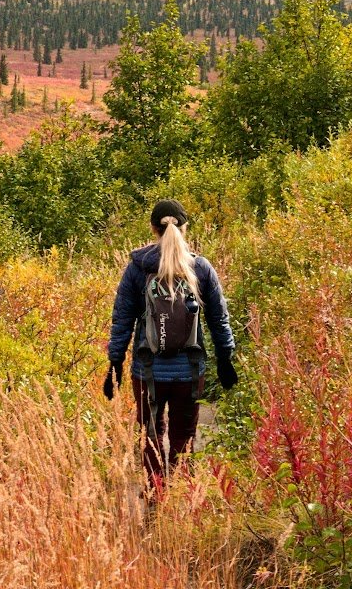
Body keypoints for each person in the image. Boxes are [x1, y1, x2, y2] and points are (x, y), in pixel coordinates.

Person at [103, 198, 237, 487]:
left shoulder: (138, 268)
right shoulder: (200, 268)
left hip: (147, 371)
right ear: (185, 228)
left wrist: (115, 361)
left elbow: (122, 318)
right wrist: (226, 357)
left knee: (151, 435)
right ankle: (181, 500)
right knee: (183, 436)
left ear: (153, 228)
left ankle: (156, 496)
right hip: (189, 371)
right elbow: (218, 317)